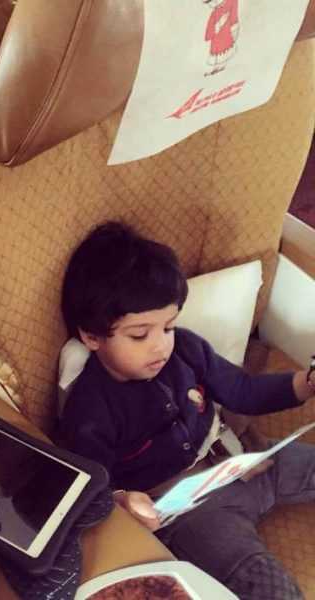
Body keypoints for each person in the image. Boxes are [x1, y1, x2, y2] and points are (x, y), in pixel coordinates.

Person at [60, 221, 315, 600]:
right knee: (264, 583)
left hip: (249, 459)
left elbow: (242, 391)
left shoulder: (186, 349)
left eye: (168, 326)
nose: (160, 346)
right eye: (139, 334)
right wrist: (125, 501)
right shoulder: (91, 408)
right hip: (197, 514)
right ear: (91, 336)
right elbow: (92, 487)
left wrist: (305, 384)